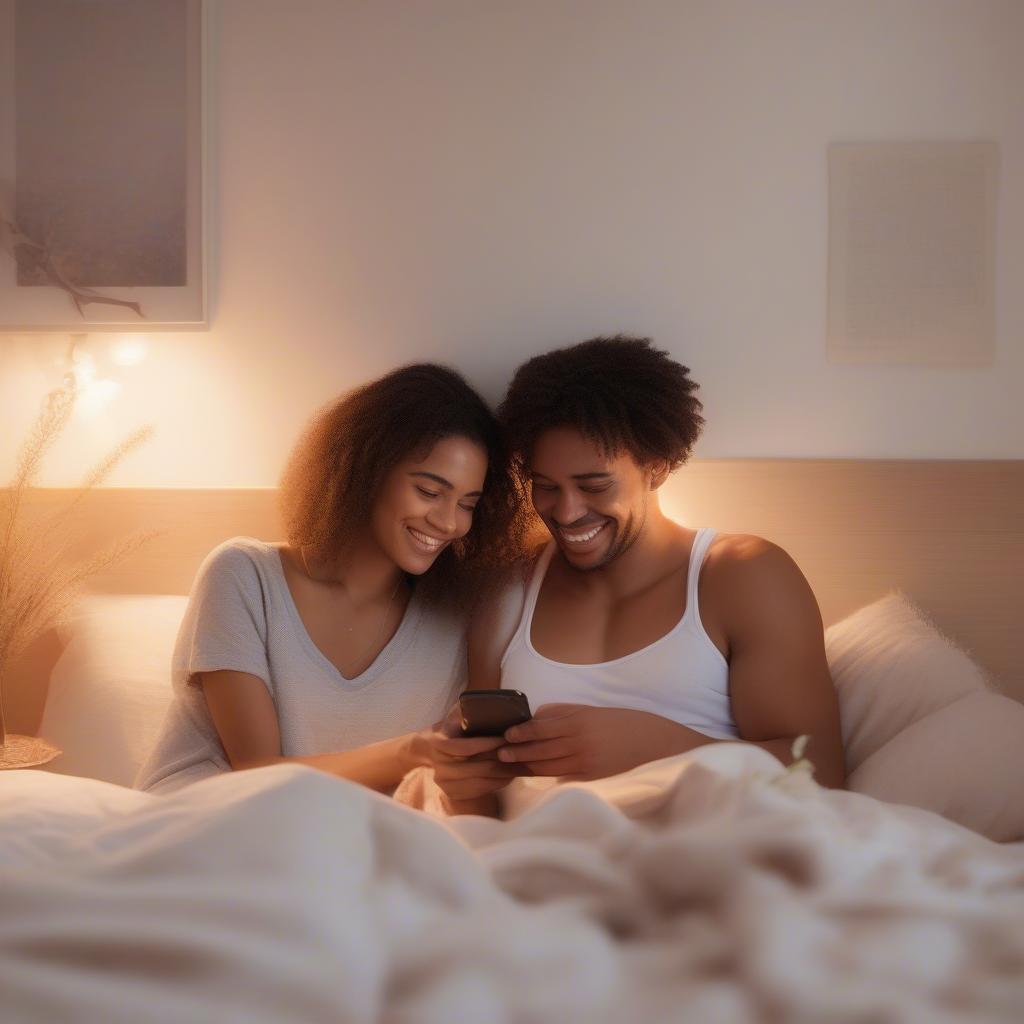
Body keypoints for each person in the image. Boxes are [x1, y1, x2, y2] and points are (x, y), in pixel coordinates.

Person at [444, 336, 845, 816]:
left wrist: (660, 746)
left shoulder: (741, 576)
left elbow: (819, 773)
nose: (566, 512)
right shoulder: (511, 586)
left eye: (594, 485)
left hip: (701, 862)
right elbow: (482, 802)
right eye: (546, 487)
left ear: (656, 468)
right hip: (539, 866)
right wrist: (462, 784)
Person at [135, 363, 529, 799]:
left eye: (467, 504)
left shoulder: (457, 614)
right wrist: (412, 752)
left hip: (344, 843)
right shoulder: (244, 575)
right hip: (204, 823)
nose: (449, 522)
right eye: (430, 493)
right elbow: (255, 775)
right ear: (366, 471)